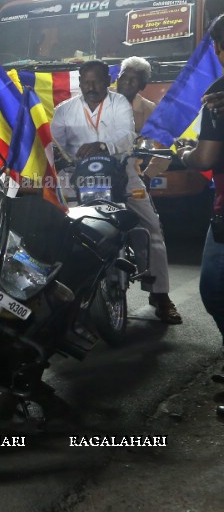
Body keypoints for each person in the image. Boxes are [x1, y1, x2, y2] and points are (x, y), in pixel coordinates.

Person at [51, 59, 179, 324]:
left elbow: (125, 135)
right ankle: (67, 295)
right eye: (85, 82)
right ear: (79, 83)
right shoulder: (64, 110)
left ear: (107, 81)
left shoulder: (119, 103)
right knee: (60, 228)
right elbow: (55, 143)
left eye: (96, 81)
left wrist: (103, 145)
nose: (90, 87)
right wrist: (59, 156)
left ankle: (160, 294)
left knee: (150, 228)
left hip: (123, 173)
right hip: (78, 178)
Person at [179, 16, 224, 363]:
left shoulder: (218, 97)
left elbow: (206, 155)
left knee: (214, 288)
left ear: (218, 49)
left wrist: (184, 154)